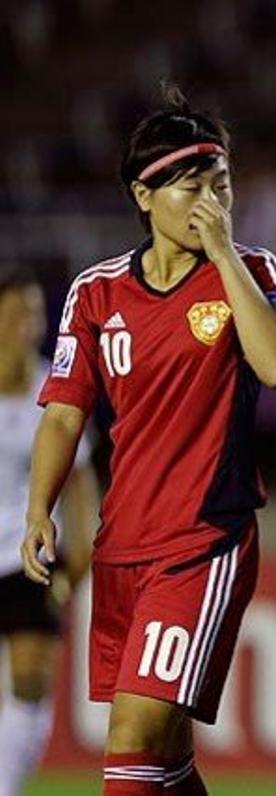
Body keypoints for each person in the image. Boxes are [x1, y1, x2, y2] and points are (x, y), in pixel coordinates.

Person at [20, 89, 276, 795]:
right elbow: (62, 413)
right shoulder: (97, 294)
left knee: (131, 741)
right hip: (122, 546)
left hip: (202, 542)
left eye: (224, 185)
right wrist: (38, 511)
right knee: (164, 756)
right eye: (194, 187)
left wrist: (223, 253)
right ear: (145, 197)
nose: (213, 201)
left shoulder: (253, 271)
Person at [0, 265, 98, 796]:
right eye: (15, 313)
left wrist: (82, 543)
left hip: (29, 552)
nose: (26, 325)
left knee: (30, 674)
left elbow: (80, 476)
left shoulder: (53, 390)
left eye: (34, 314)